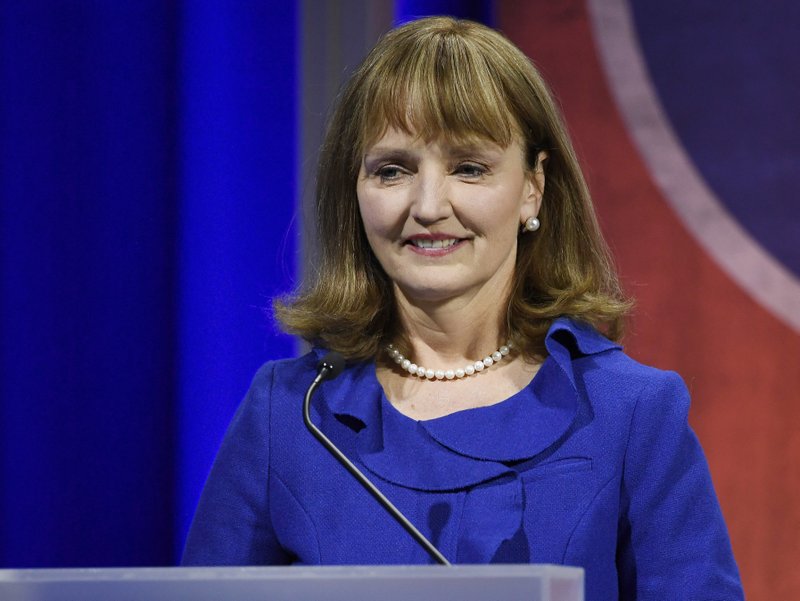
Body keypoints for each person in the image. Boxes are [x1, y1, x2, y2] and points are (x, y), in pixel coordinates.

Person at [182, 16, 743, 600]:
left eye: (468, 168)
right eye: (392, 170)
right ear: (356, 190)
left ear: (533, 187)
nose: (427, 206)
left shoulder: (631, 415)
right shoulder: (287, 414)